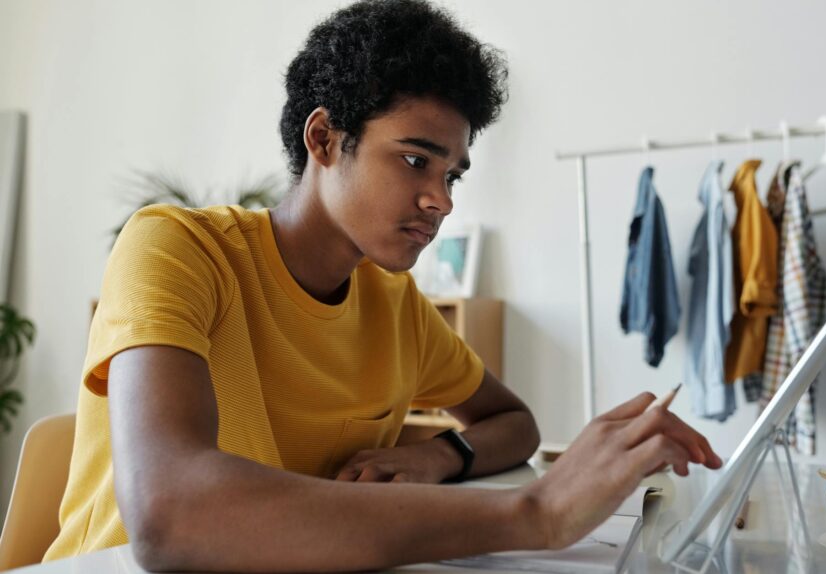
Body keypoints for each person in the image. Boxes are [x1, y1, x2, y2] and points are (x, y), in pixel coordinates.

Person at [44, 0, 722, 570]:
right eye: (414, 160)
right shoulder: (178, 248)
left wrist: (436, 457)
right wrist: (533, 513)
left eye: (451, 174)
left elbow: (513, 424)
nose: (442, 200)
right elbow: (170, 514)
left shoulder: (393, 304)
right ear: (323, 139)